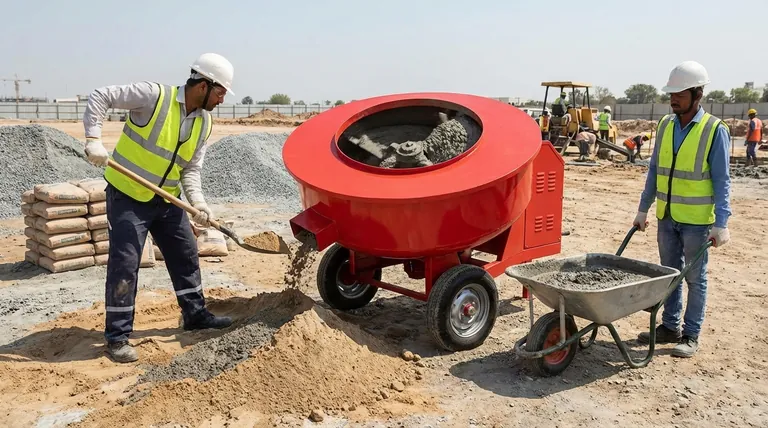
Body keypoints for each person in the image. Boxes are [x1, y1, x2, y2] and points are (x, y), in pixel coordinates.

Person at [82, 53, 236, 363]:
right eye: (220, 92)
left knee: (186, 253)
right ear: (204, 85)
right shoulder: (155, 96)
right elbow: (101, 96)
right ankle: (117, 336)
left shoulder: (204, 122)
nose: (222, 100)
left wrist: (199, 205)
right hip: (127, 197)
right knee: (125, 263)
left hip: (166, 200)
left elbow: (190, 170)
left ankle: (194, 315)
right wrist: (93, 139)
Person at [632, 60, 731, 358]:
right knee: (669, 274)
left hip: (697, 222)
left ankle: (690, 334)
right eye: (671, 93)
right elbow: (654, 170)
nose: (673, 98)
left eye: (680, 93)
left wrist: (722, 222)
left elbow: (722, 180)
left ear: (697, 94)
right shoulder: (665, 124)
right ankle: (669, 326)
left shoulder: (715, 130)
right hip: (667, 216)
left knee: (694, 278)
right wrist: (643, 209)